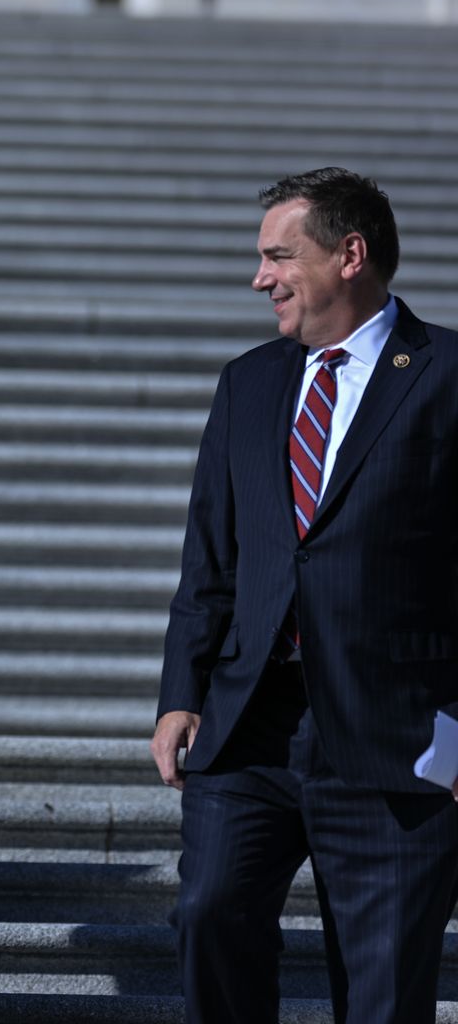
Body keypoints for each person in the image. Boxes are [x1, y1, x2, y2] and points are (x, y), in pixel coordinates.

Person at [153, 167, 458, 1024]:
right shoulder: (248, 384)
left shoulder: (446, 373)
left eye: (279, 256)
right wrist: (182, 692)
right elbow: (209, 560)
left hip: (397, 736)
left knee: (383, 988)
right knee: (210, 914)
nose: (261, 278)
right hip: (252, 725)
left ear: (349, 255)